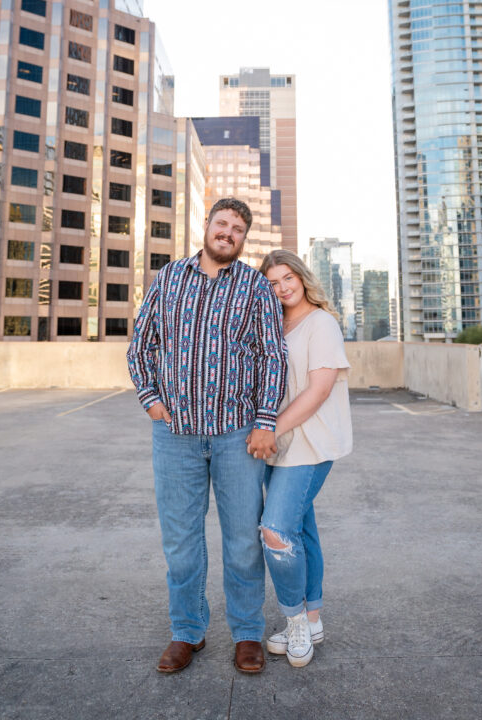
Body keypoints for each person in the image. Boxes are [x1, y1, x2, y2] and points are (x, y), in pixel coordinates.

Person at [127, 198, 287, 675]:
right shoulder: (169, 279)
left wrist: (264, 421)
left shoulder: (256, 287)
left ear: (243, 238)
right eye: (222, 223)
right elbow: (141, 344)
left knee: (242, 541)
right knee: (181, 541)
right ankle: (187, 631)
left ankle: (246, 633)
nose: (228, 233)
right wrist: (150, 398)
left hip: (237, 434)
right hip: (175, 434)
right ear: (206, 226)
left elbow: (272, 357)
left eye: (238, 228)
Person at [247, 249, 352, 668]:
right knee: (302, 530)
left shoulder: (321, 323)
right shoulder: (276, 323)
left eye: (287, 277)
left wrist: (270, 428)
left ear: (302, 277)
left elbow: (318, 390)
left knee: (275, 531)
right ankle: (313, 618)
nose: (282, 287)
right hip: (284, 445)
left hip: (311, 442)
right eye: (272, 282)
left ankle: (294, 621)